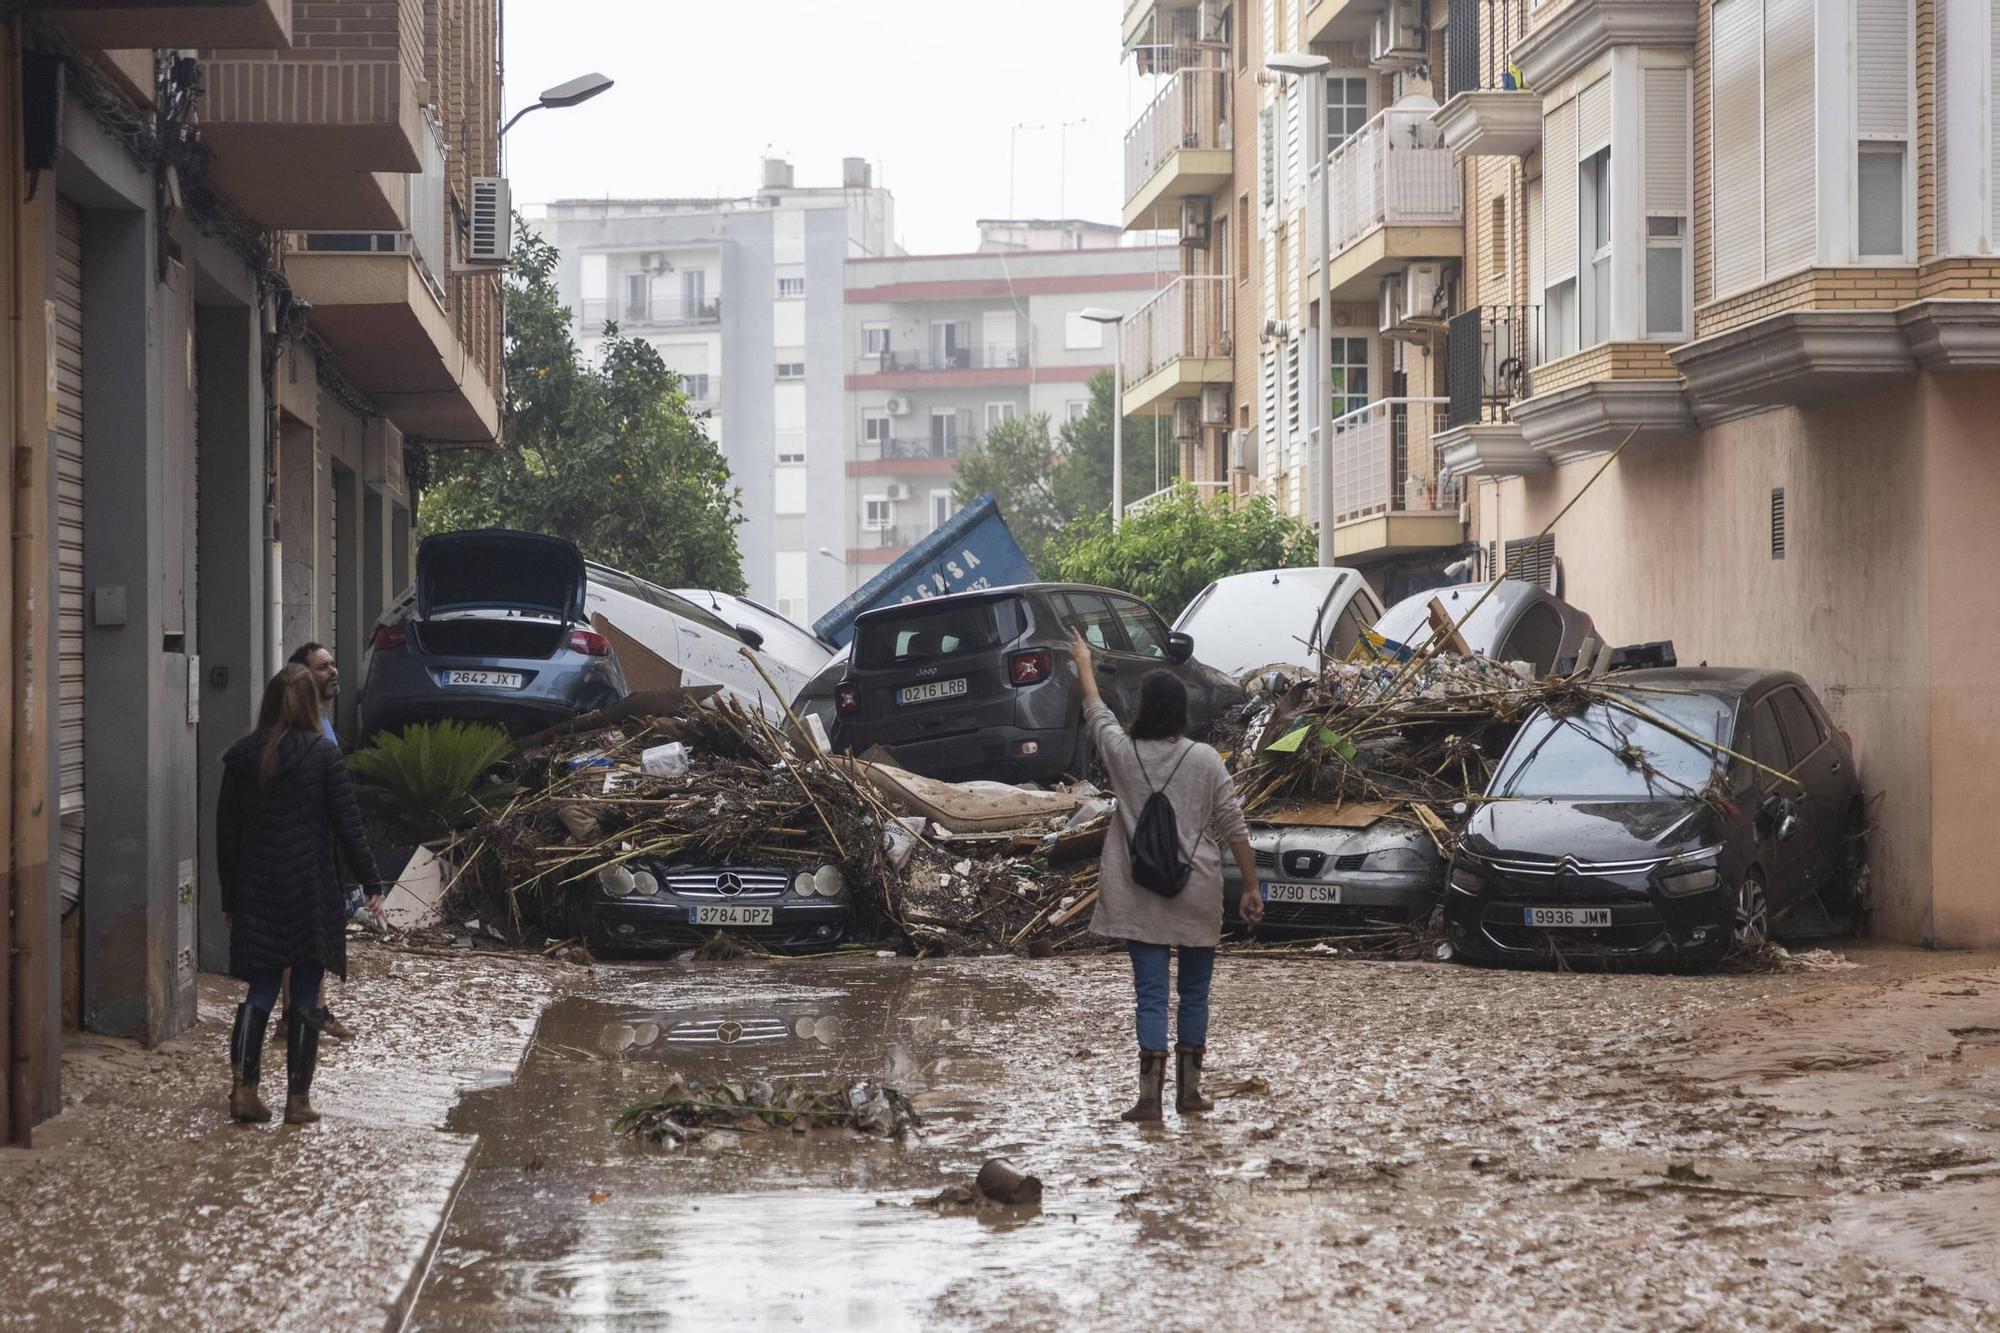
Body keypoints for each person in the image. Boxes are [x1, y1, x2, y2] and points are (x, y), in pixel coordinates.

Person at [1068, 628, 1263, 1123]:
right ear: (1182, 712)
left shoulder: (1121, 753)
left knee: (1151, 995)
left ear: (1142, 708)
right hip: (1197, 891)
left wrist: (1084, 662)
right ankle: (1190, 1095)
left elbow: (1096, 711)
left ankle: (1149, 1100)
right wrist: (1252, 886)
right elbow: (1233, 826)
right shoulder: (1203, 760)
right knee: (1194, 993)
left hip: (1139, 894)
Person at [218, 666, 386, 1125]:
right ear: (312, 704)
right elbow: (348, 827)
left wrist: (229, 899)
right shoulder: (323, 756)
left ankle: (244, 1088)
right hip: (311, 890)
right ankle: (298, 1101)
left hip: (256, 887)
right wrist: (373, 884)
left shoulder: (240, 756)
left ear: (268, 702)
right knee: (307, 991)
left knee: (263, 985)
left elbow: (226, 836)